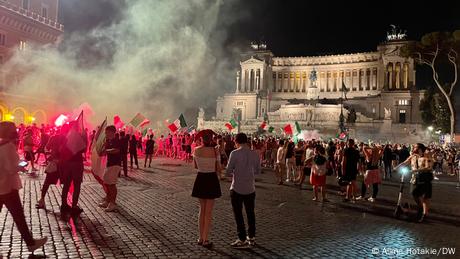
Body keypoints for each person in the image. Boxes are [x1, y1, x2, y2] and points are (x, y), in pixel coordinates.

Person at [0, 121, 48, 252]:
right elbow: (11, 168)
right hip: (8, 187)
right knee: (18, 217)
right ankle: (30, 243)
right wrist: (22, 165)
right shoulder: (8, 146)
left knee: (18, 216)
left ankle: (30, 242)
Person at [227, 133, 260, 248]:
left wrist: (236, 172)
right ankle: (251, 237)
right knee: (251, 213)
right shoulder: (255, 154)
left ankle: (242, 238)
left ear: (236, 142)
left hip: (236, 188)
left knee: (238, 214)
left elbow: (228, 171)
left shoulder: (234, 153)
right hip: (250, 188)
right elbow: (257, 171)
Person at [191, 132, 222, 248]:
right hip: (211, 178)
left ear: (201, 139)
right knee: (208, 212)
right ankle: (205, 239)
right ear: (211, 140)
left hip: (200, 178)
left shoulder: (196, 150)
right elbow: (219, 168)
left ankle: (200, 237)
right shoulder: (215, 151)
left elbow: (195, 166)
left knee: (201, 210)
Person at [395, 143, 434, 223]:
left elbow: (428, 167)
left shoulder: (426, 156)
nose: (413, 147)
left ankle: (424, 215)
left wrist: (415, 170)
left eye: (415, 147)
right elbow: (405, 162)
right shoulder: (413, 156)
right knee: (414, 193)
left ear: (419, 149)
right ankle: (420, 208)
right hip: (415, 179)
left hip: (425, 178)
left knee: (425, 197)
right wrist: (396, 167)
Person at [60, 121, 87, 218]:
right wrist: (84, 138)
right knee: (76, 185)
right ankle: (74, 206)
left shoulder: (66, 136)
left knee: (66, 185)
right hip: (76, 163)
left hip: (67, 163)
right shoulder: (77, 136)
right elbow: (83, 149)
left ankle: (63, 204)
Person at [35, 129, 65, 209]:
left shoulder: (58, 137)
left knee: (64, 183)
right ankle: (42, 200)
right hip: (59, 163)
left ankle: (64, 203)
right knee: (49, 182)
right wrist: (50, 156)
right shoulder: (56, 137)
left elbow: (46, 148)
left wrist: (49, 156)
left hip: (61, 163)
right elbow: (47, 148)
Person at [99, 125, 122, 212]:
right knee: (106, 183)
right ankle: (108, 200)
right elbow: (104, 151)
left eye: (107, 132)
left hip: (115, 164)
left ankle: (112, 203)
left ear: (112, 132)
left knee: (111, 184)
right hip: (109, 164)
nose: (105, 134)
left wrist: (107, 151)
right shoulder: (108, 141)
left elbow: (117, 150)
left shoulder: (116, 140)